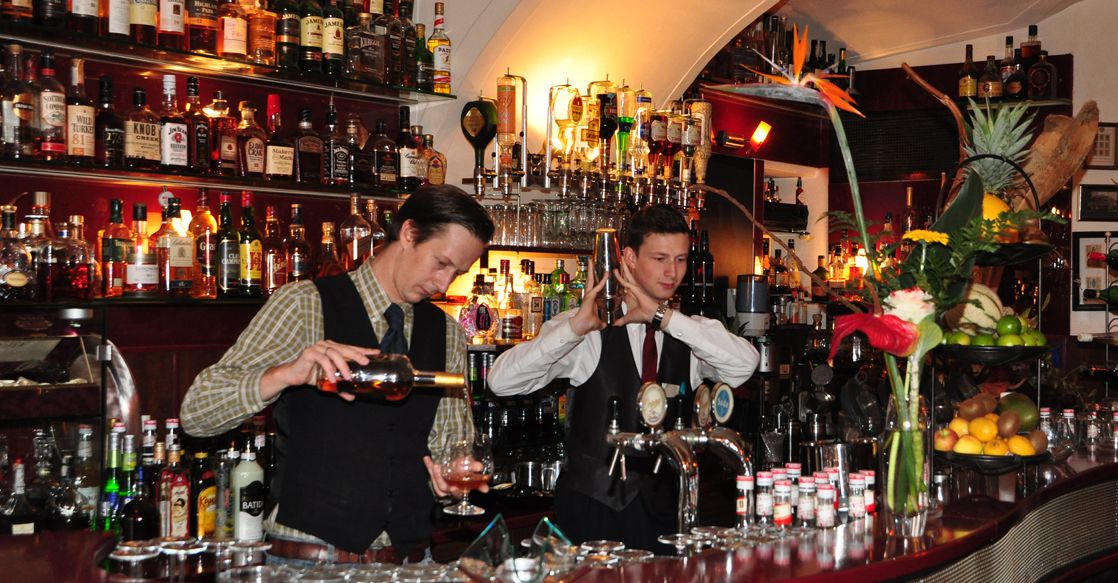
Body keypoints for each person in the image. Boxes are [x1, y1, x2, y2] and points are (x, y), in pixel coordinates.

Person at [180, 185, 494, 565]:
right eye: (441, 263)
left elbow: (449, 445)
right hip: (310, 561)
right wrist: (285, 374)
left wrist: (448, 480)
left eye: (457, 273)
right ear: (409, 234)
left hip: (409, 561)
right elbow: (197, 414)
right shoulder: (304, 303)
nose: (444, 284)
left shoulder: (446, 333)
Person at [487, 204, 758, 551]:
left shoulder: (688, 331)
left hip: (666, 511)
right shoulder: (589, 328)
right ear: (629, 258)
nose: (671, 272)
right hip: (594, 511)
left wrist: (663, 317)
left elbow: (744, 366)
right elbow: (501, 382)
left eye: (680, 260)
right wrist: (574, 327)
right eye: (660, 258)